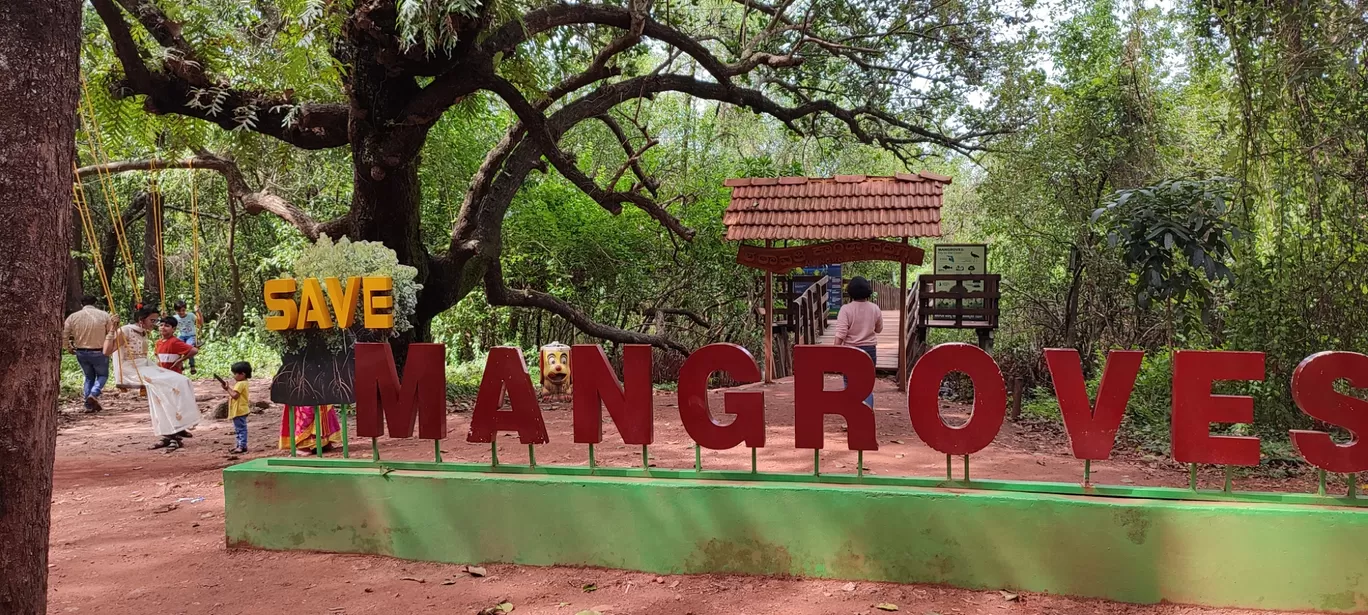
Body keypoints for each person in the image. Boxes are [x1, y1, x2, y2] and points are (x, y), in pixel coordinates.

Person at [104, 305, 202, 450]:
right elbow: (106, 351)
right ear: (141, 320)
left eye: (156, 321)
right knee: (164, 386)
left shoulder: (143, 332)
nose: (155, 324)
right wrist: (113, 328)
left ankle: (177, 425)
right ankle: (171, 431)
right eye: (153, 320)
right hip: (131, 369)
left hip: (145, 366)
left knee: (182, 380)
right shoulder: (125, 330)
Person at [831, 276, 883, 408]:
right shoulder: (875, 308)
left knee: (850, 385)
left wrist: (834, 352)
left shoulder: (846, 309)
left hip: (851, 351)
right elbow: (879, 329)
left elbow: (841, 333)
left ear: (850, 292)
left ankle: (852, 418)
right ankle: (867, 417)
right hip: (870, 350)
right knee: (867, 385)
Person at [63, 295, 112, 412]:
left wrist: (68, 347)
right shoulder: (104, 315)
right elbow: (111, 332)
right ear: (95, 303)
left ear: (82, 304)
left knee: (89, 377)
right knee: (103, 375)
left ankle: (88, 405)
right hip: (99, 351)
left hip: (81, 352)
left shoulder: (73, 317)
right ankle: (94, 394)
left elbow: (64, 334)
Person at [223, 361, 252, 454]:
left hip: (239, 410)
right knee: (239, 428)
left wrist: (227, 389)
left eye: (235, 373)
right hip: (241, 409)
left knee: (240, 429)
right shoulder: (244, 383)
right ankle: (240, 445)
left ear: (242, 374)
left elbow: (235, 395)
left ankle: (242, 445)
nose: (234, 376)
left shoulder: (240, 384)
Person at [173, 301, 202, 374]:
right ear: (176, 311)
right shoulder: (175, 318)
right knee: (175, 347)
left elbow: (200, 323)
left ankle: (192, 365)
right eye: (179, 311)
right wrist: (164, 317)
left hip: (191, 336)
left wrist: (199, 312)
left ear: (185, 309)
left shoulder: (191, 315)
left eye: (183, 310)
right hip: (181, 336)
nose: (181, 312)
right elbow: (169, 325)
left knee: (189, 348)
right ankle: (180, 364)